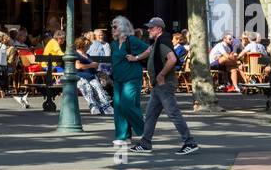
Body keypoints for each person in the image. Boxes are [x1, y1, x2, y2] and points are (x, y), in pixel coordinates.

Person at [128, 17, 199, 155]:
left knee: (173, 113)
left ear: (159, 29)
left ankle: (189, 142)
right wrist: (135, 58)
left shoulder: (163, 42)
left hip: (164, 85)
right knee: (150, 115)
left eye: (151, 28)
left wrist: (161, 75)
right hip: (158, 86)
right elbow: (149, 51)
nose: (148, 30)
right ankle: (145, 143)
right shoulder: (157, 42)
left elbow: (172, 59)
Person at [109, 16, 147, 144]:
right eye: (112, 26)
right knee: (118, 107)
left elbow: (150, 49)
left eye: (115, 26)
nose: (112, 29)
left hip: (132, 78)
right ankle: (123, 136)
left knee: (127, 104)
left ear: (123, 27)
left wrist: (136, 58)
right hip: (118, 79)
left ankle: (145, 131)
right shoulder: (113, 44)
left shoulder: (132, 40)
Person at [74, 36, 113, 116]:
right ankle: (93, 106)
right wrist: (91, 65)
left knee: (98, 88)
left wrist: (94, 65)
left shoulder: (87, 55)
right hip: (80, 77)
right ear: (81, 45)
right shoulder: (75, 54)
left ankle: (106, 107)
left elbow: (92, 65)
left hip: (92, 76)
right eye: (87, 45)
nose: (88, 47)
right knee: (87, 88)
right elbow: (78, 66)